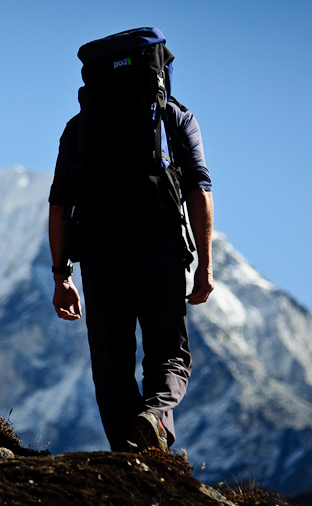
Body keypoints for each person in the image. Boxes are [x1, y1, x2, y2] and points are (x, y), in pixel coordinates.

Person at [47, 29, 214, 453]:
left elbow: (59, 206)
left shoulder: (79, 128)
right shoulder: (176, 118)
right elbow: (199, 190)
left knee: (110, 364)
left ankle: (128, 454)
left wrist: (61, 275)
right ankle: (155, 419)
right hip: (159, 246)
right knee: (169, 354)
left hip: (99, 255)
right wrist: (206, 265)